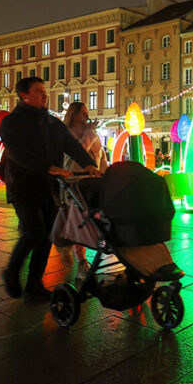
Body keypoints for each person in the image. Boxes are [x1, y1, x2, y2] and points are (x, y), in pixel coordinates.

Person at [0, 77, 99, 302]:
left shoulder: (51, 122)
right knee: (34, 230)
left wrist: (88, 163)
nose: (45, 95)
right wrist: (49, 167)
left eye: (45, 91)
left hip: (49, 186)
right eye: (39, 91)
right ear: (24, 95)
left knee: (46, 235)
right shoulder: (11, 122)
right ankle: (12, 271)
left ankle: (35, 283)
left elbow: (70, 145)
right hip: (23, 186)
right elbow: (17, 153)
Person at [59, 101, 109, 279]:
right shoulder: (68, 133)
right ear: (74, 114)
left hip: (93, 181)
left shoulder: (91, 132)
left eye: (87, 112)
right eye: (83, 113)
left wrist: (105, 172)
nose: (87, 116)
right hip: (74, 180)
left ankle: (89, 253)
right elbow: (80, 151)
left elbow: (100, 156)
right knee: (78, 218)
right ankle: (81, 260)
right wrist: (89, 132)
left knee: (94, 217)